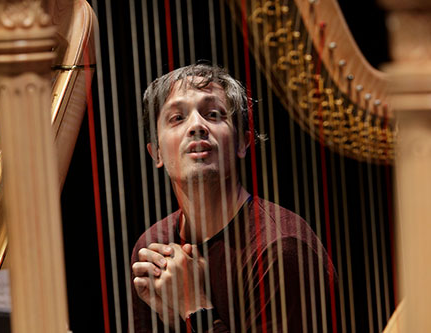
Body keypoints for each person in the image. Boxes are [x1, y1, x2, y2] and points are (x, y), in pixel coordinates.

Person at [131, 64, 336, 332]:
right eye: (177, 118)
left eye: (213, 114)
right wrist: (172, 323)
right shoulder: (154, 247)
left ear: (243, 143)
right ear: (156, 153)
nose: (196, 126)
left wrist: (195, 307)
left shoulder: (282, 248)